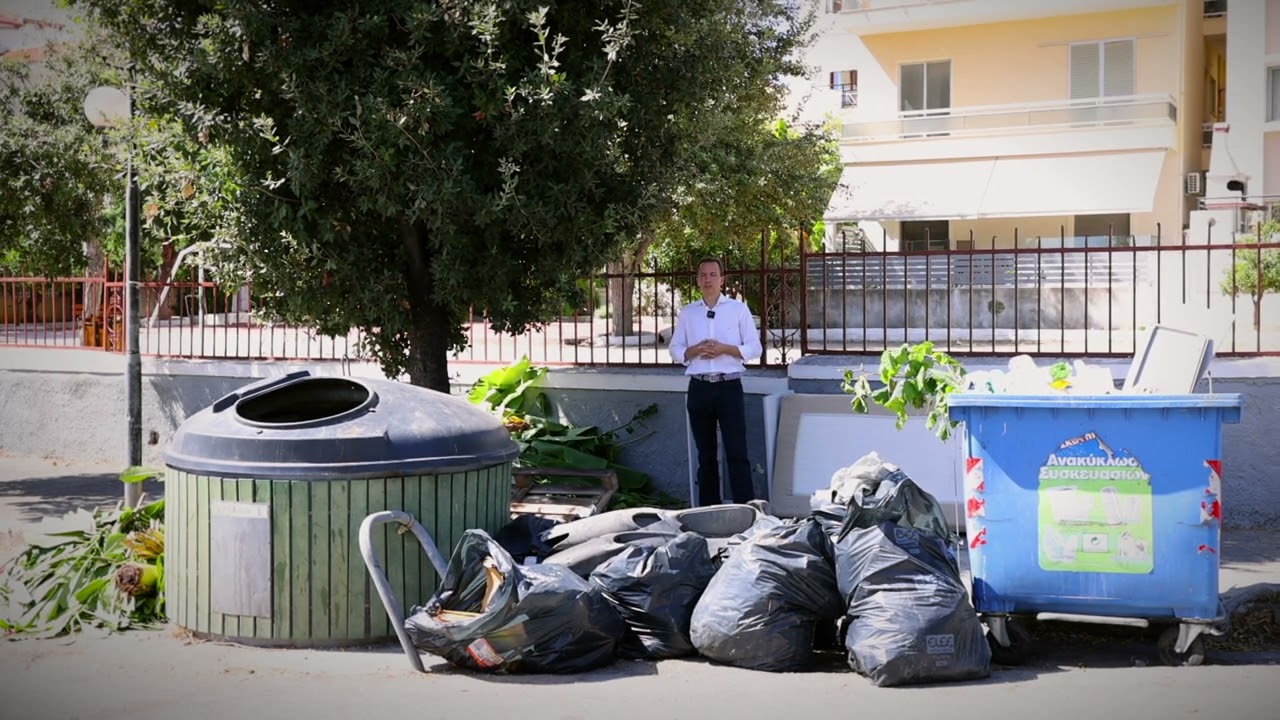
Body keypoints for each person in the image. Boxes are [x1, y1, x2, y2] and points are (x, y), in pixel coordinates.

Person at [669, 256, 763, 506]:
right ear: (697, 280)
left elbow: (755, 348)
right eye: (703, 275)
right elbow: (675, 348)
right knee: (706, 456)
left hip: (728, 386)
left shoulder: (738, 309)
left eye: (713, 275)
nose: (707, 279)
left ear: (722, 279)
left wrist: (725, 349)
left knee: (737, 453)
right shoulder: (689, 313)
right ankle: (708, 513)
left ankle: (746, 511)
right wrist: (694, 350)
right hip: (699, 388)